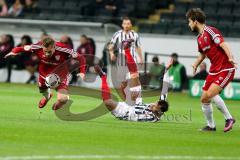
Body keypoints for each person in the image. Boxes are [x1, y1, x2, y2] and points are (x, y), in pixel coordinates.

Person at [186, 8, 236, 132]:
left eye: (189, 21)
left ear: (195, 21)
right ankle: (211, 126)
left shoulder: (211, 31)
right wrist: (195, 64)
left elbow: (224, 44)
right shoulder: (199, 38)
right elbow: (202, 55)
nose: (189, 24)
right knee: (204, 98)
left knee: (210, 94)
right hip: (214, 70)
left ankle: (229, 118)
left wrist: (230, 57)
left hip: (225, 68)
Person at [94, 40, 169, 122]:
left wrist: (132, 100)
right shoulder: (161, 105)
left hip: (125, 112)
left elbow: (132, 117)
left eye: (155, 105)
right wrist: (166, 71)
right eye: (155, 103)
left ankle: (103, 77)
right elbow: (164, 91)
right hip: (137, 102)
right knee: (135, 75)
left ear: (159, 111)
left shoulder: (151, 118)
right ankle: (126, 49)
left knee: (107, 102)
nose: (153, 104)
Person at [5, 37, 86, 110]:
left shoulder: (63, 49)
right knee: (42, 89)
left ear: (54, 47)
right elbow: (23, 48)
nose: (46, 54)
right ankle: (47, 97)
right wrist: (13, 52)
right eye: (45, 51)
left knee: (63, 99)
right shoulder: (38, 46)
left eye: (49, 51)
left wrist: (82, 72)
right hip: (44, 72)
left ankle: (60, 103)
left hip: (61, 74)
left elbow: (81, 58)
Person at [108, 17, 143, 105]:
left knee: (134, 80)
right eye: (125, 24)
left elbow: (138, 47)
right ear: (122, 25)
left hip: (132, 61)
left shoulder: (135, 35)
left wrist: (141, 58)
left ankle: (137, 101)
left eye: (128, 24)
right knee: (123, 84)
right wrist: (111, 54)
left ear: (131, 25)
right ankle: (126, 100)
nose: (126, 25)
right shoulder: (117, 34)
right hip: (121, 63)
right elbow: (111, 46)